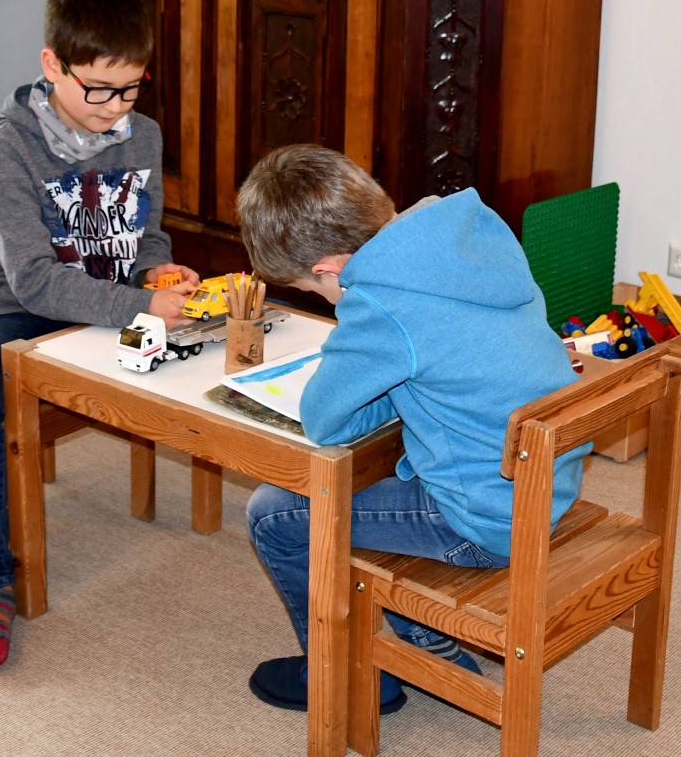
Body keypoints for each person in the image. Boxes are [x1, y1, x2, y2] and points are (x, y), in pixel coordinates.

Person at [235, 144, 590, 714]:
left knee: (276, 512)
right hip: (547, 482)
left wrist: (367, 372)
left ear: (331, 268)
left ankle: (347, 678)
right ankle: (418, 638)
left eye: (315, 291)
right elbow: (440, 363)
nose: (327, 302)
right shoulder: (464, 231)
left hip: (485, 518)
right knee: (360, 499)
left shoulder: (382, 301)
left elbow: (326, 422)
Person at [0, 0, 200, 669]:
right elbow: (31, 278)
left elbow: (146, 234)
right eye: (99, 89)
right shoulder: (10, 149)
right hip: (26, 313)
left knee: (218, 357)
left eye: (132, 88)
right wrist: (141, 303)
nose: (115, 109)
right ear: (52, 64)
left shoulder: (139, 134)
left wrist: (158, 270)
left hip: (117, 303)